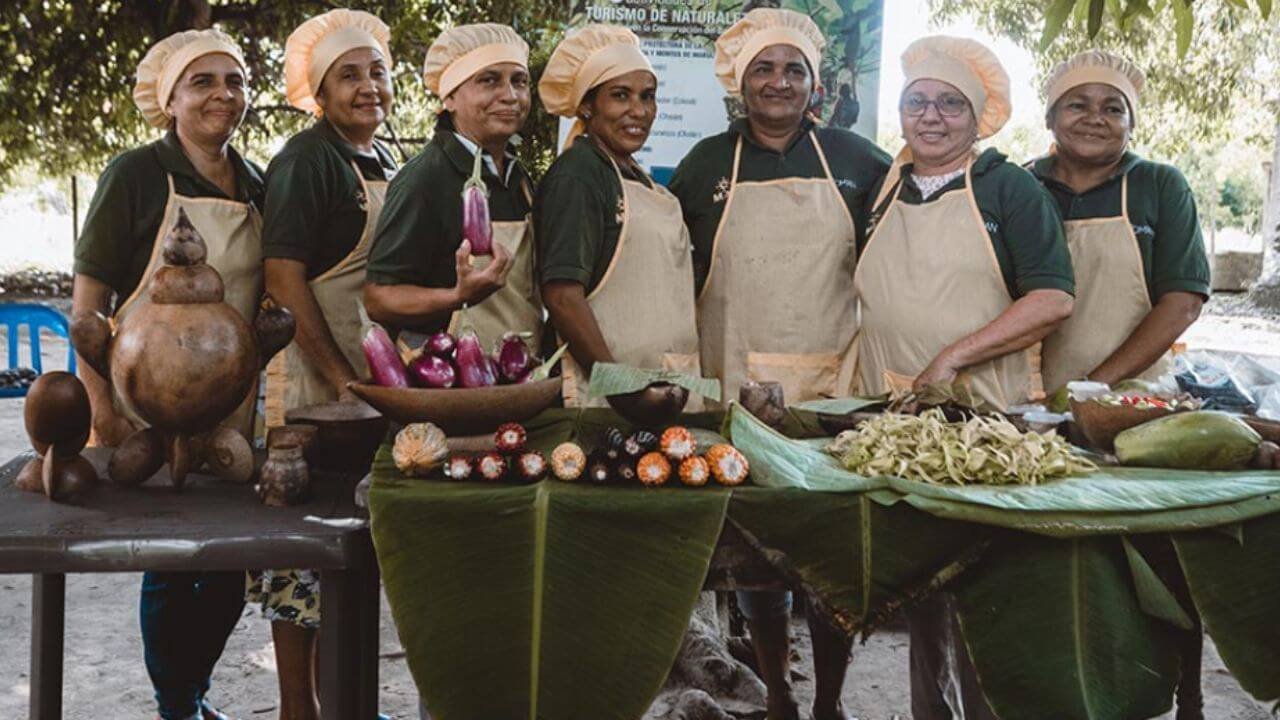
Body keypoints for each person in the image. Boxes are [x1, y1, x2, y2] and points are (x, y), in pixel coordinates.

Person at [668, 10, 890, 719]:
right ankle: (778, 696)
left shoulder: (859, 163)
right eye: (764, 68)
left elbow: (898, 267)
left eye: (794, 69)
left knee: (824, 559)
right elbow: (679, 278)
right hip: (735, 387)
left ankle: (828, 701)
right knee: (758, 559)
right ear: (740, 81)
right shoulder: (705, 165)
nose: (778, 82)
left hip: (830, 393)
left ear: (814, 84)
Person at [857, 36, 1075, 718]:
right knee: (920, 586)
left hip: (986, 423)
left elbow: (1052, 298)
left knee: (985, 589)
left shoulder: (1010, 188)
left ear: (977, 117)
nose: (932, 117)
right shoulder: (885, 186)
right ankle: (931, 711)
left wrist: (954, 356)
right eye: (918, 101)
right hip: (897, 423)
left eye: (951, 104)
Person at [71, 28, 262, 720]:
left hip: (230, 410)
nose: (223, 95)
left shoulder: (255, 181)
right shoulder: (136, 174)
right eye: (203, 82)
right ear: (170, 99)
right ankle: (178, 704)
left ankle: (189, 691)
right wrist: (105, 410)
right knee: (172, 561)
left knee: (234, 567)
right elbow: (89, 304)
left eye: (234, 81)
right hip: (144, 402)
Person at [253, 10, 398, 720]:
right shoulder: (306, 161)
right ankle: (295, 707)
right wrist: (340, 375)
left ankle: (345, 703)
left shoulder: (385, 158)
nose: (368, 86)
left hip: (366, 388)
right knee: (301, 554)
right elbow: (282, 279)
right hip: (313, 383)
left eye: (377, 72)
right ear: (319, 91)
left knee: (352, 552)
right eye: (350, 75)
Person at [535, 24, 700, 413]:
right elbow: (561, 296)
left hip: (658, 388)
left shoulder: (633, 175)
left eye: (648, 96)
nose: (639, 111)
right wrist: (621, 386)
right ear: (588, 105)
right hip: (604, 401)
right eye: (620, 96)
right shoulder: (578, 174)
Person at [1030, 50, 1209, 393]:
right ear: (1050, 118)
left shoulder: (1159, 185)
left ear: (1132, 124)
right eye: (1077, 105)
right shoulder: (1019, 186)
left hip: (1132, 396)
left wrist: (1091, 389)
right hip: (1024, 398)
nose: (1095, 118)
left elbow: (1183, 304)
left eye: (1113, 108)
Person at [364, 23, 540, 353]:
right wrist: (457, 296)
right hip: (449, 384)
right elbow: (379, 298)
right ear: (449, 98)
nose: (510, 95)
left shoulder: (518, 177)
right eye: (489, 80)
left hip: (516, 374)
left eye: (520, 81)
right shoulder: (426, 178)